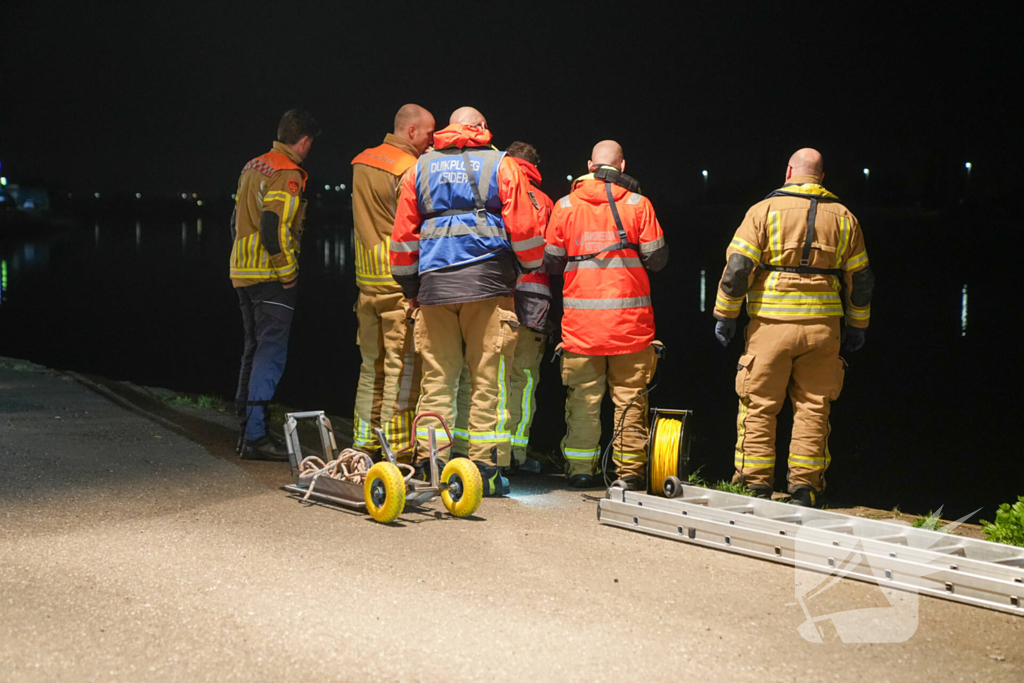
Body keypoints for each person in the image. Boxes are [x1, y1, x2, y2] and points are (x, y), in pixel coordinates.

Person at [390, 106, 544, 496]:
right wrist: (526, 267)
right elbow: (524, 231)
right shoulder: (502, 166)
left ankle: (430, 465)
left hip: (434, 289)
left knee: (437, 381)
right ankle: (484, 471)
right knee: (487, 382)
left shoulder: (420, 169)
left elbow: (404, 237)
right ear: (478, 129)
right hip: (488, 287)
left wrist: (412, 290)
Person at [713, 148, 874, 507]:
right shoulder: (845, 217)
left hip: (771, 325)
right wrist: (858, 324)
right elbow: (861, 280)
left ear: (789, 171)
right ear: (822, 176)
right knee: (814, 408)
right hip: (822, 328)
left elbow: (738, 268)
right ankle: (805, 488)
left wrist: (725, 314)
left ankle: (754, 486)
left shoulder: (763, 211)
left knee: (758, 406)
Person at [544, 140, 668, 489]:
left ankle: (581, 470)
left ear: (588, 165)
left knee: (582, 399)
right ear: (622, 166)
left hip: (581, 328)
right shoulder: (638, 204)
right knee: (629, 401)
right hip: (630, 328)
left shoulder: (565, 205)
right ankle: (628, 474)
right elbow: (657, 259)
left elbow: (551, 261)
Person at [452, 141, 553, 474]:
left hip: (494, 292)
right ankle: (515, 455)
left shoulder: (492, 188)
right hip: (534, 298)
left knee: (481, 371)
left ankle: (467, 448)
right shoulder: (545, 201)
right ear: (535, 167)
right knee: (522, 378)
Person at [230, 109, 319, 460]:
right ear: (304, 141)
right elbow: (273, 226)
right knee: (271, 354)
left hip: (243, 272)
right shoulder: (287, 172)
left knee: (253, 349)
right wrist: (289, 273)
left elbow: (235, 220)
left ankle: (247, 425)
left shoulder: (252, 166)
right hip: (270, 277)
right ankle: (255, 436)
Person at [350, 104, 435, 459]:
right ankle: (396, 451)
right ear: (412, 132)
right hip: (398, 286)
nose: (433, 141)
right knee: (402, 372)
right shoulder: (409, 169)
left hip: (366, 284)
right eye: (429, 133)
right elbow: (412, 230)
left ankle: (363, 444)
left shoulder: (362, 162)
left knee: (371, 369)